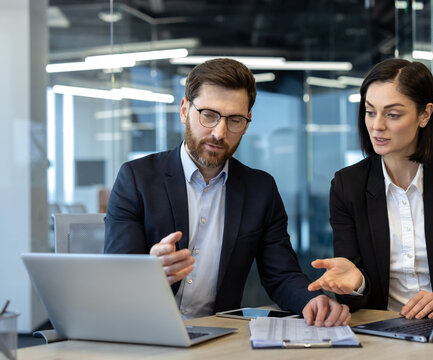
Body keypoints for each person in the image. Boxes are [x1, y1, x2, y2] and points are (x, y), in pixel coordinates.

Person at [104, 58, 350, 327]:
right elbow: (116, 275)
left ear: (247, 123)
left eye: (234, 120)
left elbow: (281, 274)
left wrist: (311, 301)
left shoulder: (260, 189)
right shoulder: (137, 178)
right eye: (208, 115)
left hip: (218, 336)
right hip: (145, 331)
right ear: (185, 110)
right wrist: (147, 271)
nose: (219, 133)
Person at [308, 58, 433, 320]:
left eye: (392, 114)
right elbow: (349, 294)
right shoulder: (347, 186)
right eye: (370, 111)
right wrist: (356, 283)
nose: (377, 126)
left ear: (425, 114)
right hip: (380, 332)